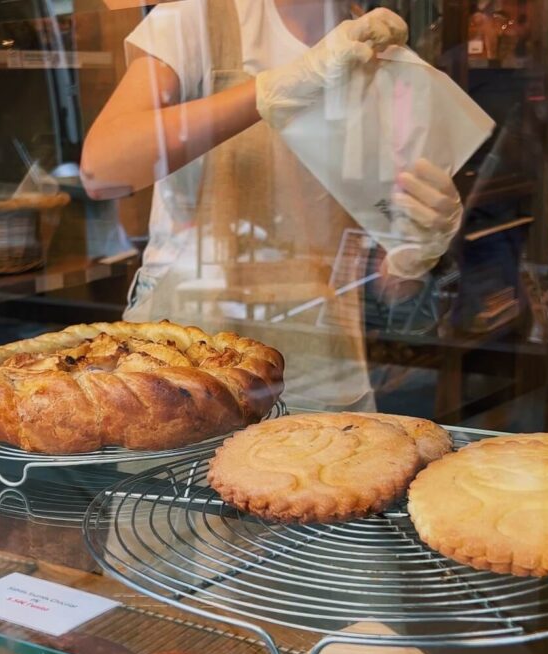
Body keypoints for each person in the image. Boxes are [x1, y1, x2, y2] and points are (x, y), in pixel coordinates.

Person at [81, 0, 464, 411]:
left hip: (320, 367)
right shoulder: (200, 21)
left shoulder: (376, 53)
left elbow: (385, 289)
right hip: (186, 365)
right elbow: (103, 170)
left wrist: (415, 252)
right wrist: (272, 89)